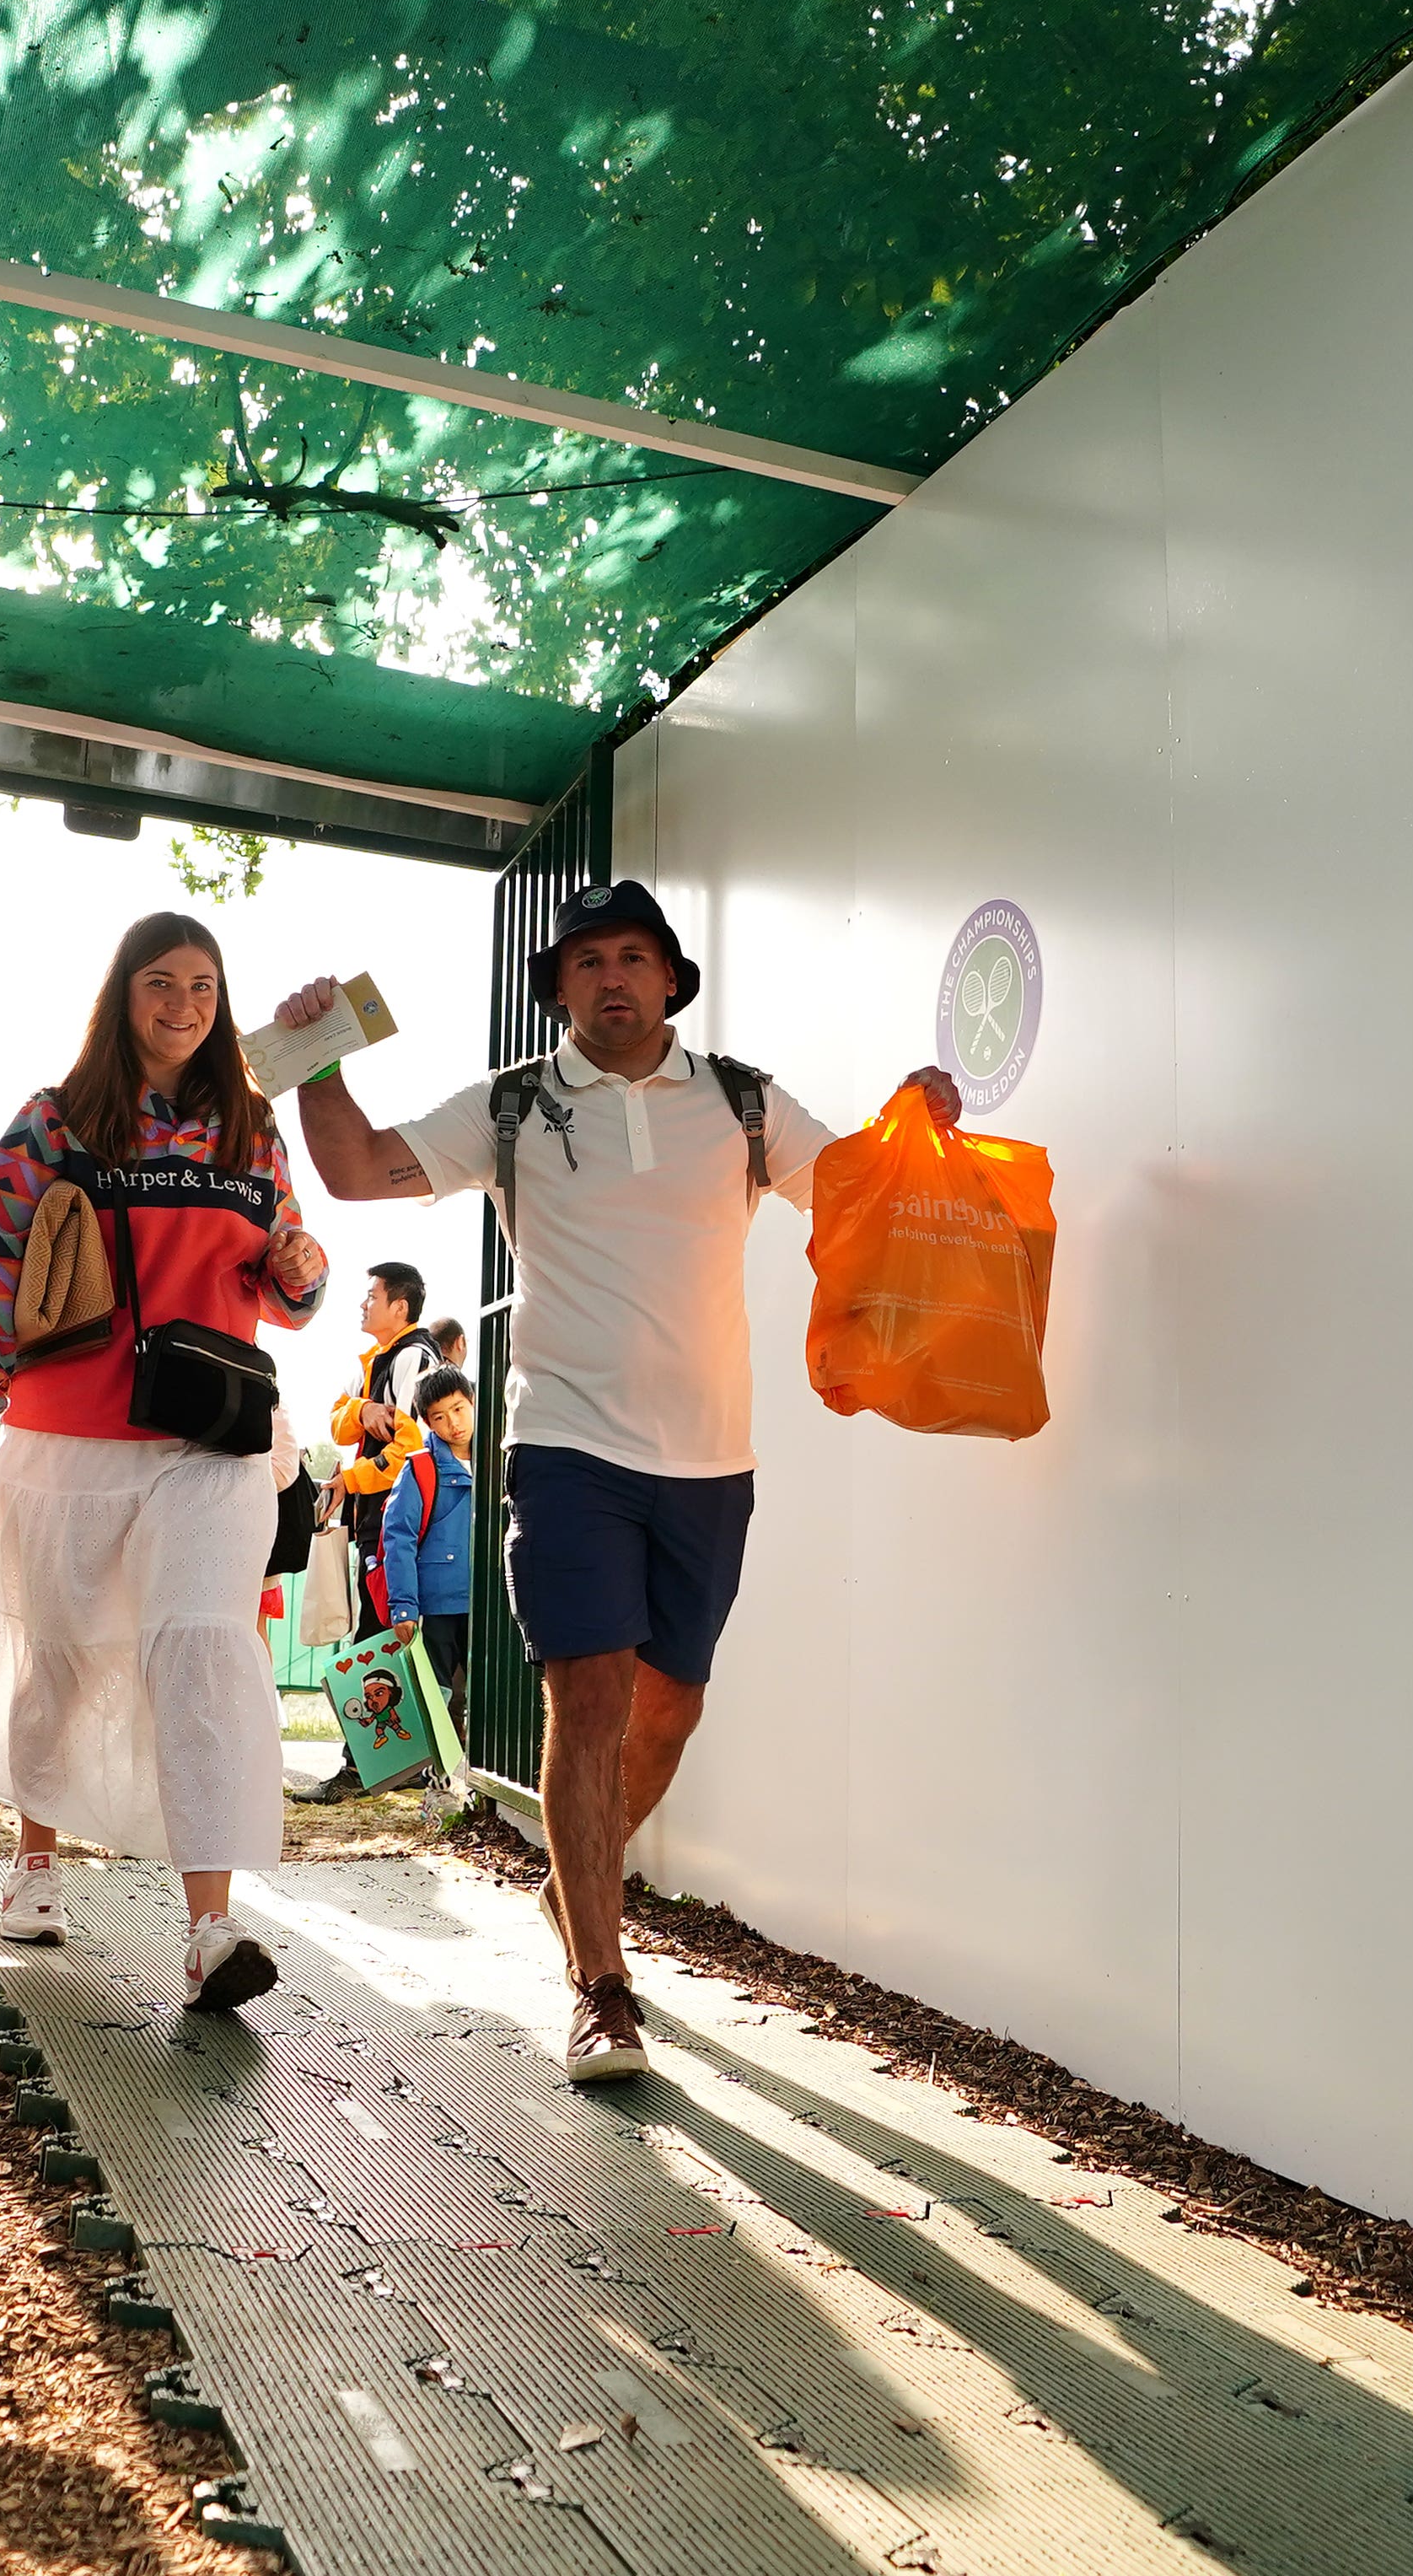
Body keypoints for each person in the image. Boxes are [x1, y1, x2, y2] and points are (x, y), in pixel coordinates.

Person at [274, 881, 957, 2079]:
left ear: (670, 981)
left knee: (670, 1708)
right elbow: (361, 1171)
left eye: (635, 958)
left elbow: (866, 1193)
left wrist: (918, 1117)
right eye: (587, 962)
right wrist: (320, 1062)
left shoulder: (741, 1103)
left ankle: (570, 1882)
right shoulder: (515, 1108)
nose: (613, 979)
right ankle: (603, 1984)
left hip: (711, 1459)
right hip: (568, 1448)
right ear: (560, 989)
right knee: (586, 1701)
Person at [0, 912, 329, 2015]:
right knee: (54, 1657)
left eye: (203, 985)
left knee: (199, 1654)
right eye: (161, 983)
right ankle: (35, 1864)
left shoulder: (251, 1126)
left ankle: (209, 1927)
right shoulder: (59, 1120)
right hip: (66, 1438)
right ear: (122, 994)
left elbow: (292, 1287)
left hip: (211, 1443)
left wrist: (300, 1262)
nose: (183, 1005)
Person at [302, 1261, 436, 1800]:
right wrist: (365, 1408)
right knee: (381, 1633)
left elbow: (413, 1447)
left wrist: (353, 1478)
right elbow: (336, 1419)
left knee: (382, 1636)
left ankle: (366, 1768)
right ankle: (396, 1765)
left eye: (372, 1295)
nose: (363, 1304)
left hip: (399, 1523)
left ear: (399, 1306)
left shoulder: (413, 1358)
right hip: (377, 1522)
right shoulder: (374, 1363)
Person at [391, 1363, 481, 1741]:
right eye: (440, 1417)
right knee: (437, 1695)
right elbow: (399, 1538)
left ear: (474, 1402)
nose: (454, 1424)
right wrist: (404, 1607)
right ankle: (438, 1778)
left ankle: (485, 1784)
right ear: (428, 1423)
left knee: (489, 1697)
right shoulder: (419, 1470)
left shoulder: (501, 1459)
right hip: (439, 1604)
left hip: (489, 1602)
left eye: (459, 1409)